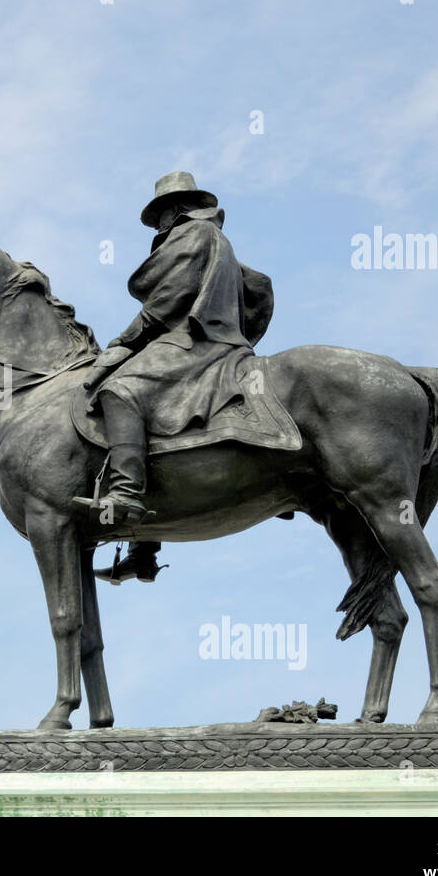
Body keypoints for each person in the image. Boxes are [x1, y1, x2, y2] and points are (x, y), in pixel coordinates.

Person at [79, 172, 273, 584]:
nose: (159, 224)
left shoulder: (193, 233)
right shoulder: (217, 241)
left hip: (197, 340)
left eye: (161, 214)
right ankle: (143, 549)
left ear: (177, 208)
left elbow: (168, 301)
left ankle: (126, 495)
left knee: (120, 390)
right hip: (212, 338)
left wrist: (122, 344)